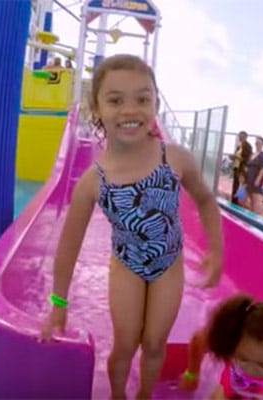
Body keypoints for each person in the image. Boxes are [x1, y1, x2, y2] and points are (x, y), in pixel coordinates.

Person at [39, 54, 224, 399]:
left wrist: (215, 249)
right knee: (125, 344)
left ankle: (143, 396)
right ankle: (119, 394)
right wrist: (57, 302)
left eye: (142, 98)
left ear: (155, 102)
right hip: (126, 264)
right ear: (97, 106)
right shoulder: (93, 181)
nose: (130, 110)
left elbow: (205, 201)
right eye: (115, 100)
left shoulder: (176, 158)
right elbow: (68, 246)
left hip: (169, 264)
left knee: (154, 344)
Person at [177, 295, 263, 399]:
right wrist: (191, 374)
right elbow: (199, 339)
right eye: (242, 359)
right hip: (232, 393)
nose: (250, 369)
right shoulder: (232, 341)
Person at [244, 136, 263, 211]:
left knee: (255, 202)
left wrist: (258, 180)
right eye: (256, 143)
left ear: (262, 144)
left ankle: (254, 217)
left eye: (259, 143)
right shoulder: (252, 154)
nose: (257, 144)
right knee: (241, 198)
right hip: (247, 180)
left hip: (255, 180)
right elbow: (247, 165)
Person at [231, 131, 253, 203]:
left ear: (246, 137)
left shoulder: (248, 146)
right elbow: (237, 157)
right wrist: (233, 157)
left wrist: (237, 157)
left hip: (242, 169)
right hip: (237, 168)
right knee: (236, 186)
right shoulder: (239, 146)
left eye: (242, 137)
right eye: (239, 137)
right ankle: (234, 201)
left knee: (241, 186)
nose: (240, 138)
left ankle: (240, 202)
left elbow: (247, 159)